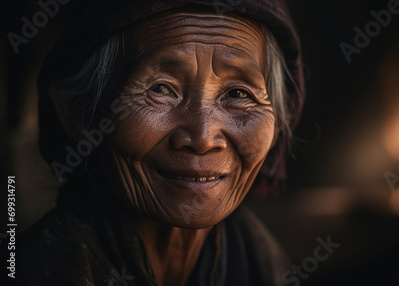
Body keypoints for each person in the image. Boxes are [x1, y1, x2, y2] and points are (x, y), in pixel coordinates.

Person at [18, 0, 305, 285]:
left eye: (238, 94)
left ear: (278, 120)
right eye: (161, 89)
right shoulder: (44, 272)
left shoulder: (259, 257)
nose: (203, 138)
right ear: (78, 113)